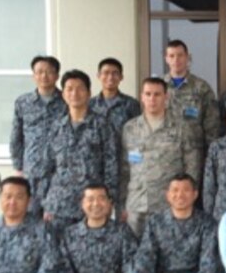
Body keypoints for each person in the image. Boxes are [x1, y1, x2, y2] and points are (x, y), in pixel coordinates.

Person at [120, 78, 204, 237]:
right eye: (148, 94)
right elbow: (124, 170)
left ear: (166, 97)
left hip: (170, 205)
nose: (152, 99)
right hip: (137, 205)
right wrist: (121, 205)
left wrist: (187, 201)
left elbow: (192, 168)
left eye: (157, 94)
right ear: (142, 97)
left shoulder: (182, 128)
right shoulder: (130, 128)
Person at [42, 69, 119, 225]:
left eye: (80, 89)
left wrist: (110, 200)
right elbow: (47, 167)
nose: (74, 93)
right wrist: (46, 203)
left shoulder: (102, 125)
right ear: (63, 94)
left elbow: (111, 166)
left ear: (89, 93)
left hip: (92, 205)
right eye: (69, 89)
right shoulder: (56, 127)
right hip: (59, 205)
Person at [9, 55, 66, 215]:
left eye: (49, 72)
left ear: (56, 75)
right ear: (33, 75)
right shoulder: (23, 102)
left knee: (56, 220)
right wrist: (18, 167)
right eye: (39, 72)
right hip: (31, 172)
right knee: (30, 219)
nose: (44, 76)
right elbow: (16, 136)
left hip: (59, 173)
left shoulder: (67, 101)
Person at [163, 39, 220, 150]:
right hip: (165, 154)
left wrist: (211, 155)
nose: (176, 60)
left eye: (180, 55)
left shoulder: (202, 87)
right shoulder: (158, 87)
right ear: (166, 59)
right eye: (171, 56)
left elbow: (212, 125)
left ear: (187, 57)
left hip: (194, 154)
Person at [90, 57, 141, 134]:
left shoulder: (131, 104)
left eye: (115, 73)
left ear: (121, 77)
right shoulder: (90, 104)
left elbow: (138, 133)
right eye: (106, 73)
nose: (110, 77)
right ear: (98, 76)